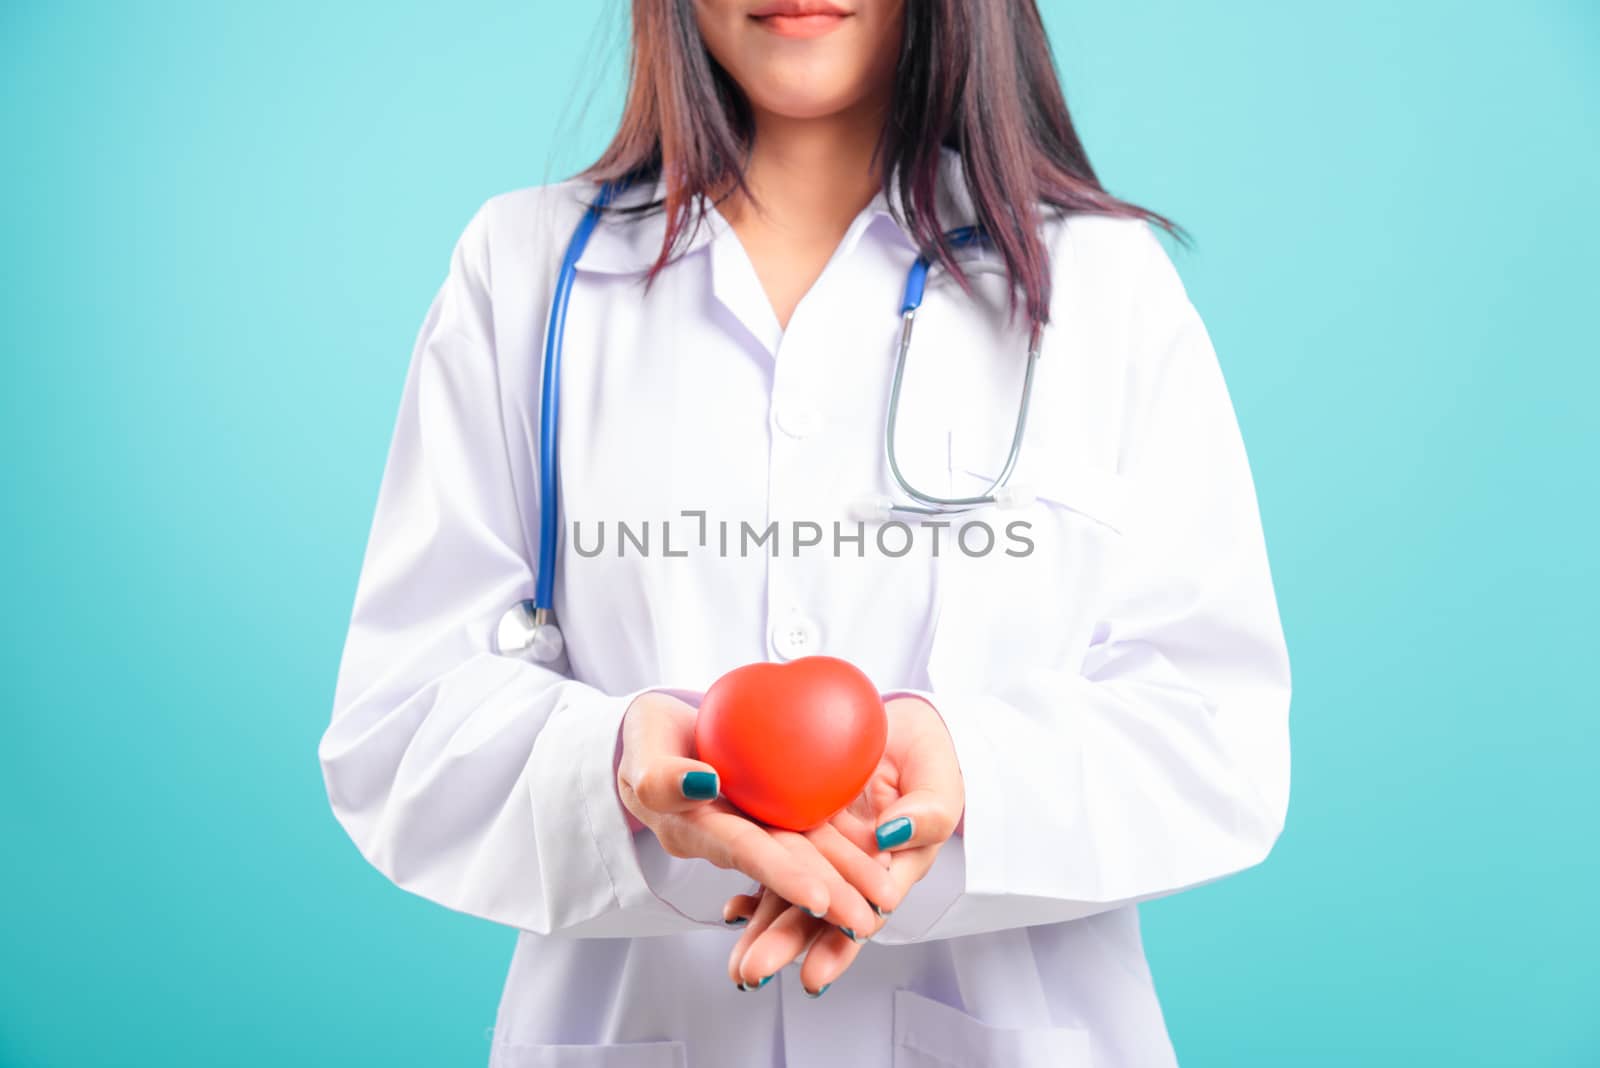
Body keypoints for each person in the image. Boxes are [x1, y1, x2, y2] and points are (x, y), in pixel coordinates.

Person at [318, 1, 1292, 1065]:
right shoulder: (526, 271)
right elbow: (399, 731)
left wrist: (968, 771)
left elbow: (1219, 737)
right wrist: (620, 773)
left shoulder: (1102, 282)